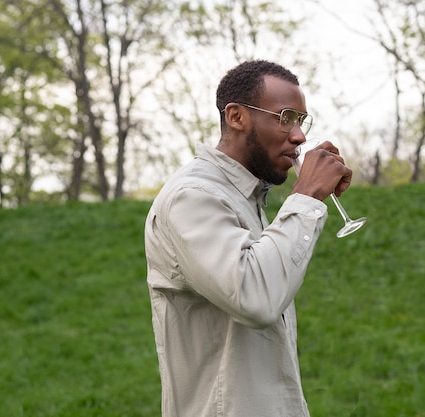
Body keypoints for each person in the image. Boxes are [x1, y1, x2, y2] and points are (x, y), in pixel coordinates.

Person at [144, 59, 352, 417]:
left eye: (300, 121)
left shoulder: (246, 196)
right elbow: (255, 296)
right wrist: (305, 199)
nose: (298, 135)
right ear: (237, 117)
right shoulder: (192, 196)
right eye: (285, 117)